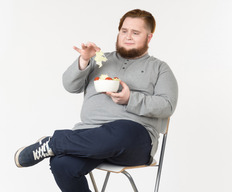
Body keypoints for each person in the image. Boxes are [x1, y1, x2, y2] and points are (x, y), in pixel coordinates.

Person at [14, 9, 178, 192]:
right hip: (89, 137)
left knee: (122, 130)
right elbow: (69, 85)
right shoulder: (100, 59)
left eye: (136, 32)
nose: (128, 37)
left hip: (133, 141)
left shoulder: (160, 69)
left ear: (149, 37)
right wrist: (84, 60)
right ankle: (57, 145)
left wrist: (130, 99)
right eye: (124, 31)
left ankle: (53, 143)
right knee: (62, 164)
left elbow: (168, 105)